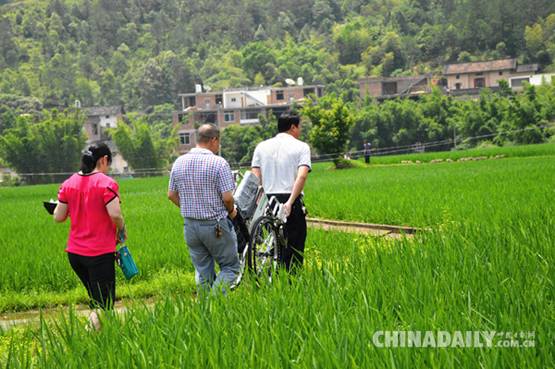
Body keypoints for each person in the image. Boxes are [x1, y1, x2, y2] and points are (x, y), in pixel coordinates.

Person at [53, 143, 125, 330]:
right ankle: (86, 339)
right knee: (103, 304)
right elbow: (115, 214)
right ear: (104, 160)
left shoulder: (69, 183)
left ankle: (103, 338)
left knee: (98, 299)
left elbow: (58, 217)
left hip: (76, 254)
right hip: (98, 254)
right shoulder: (106, 183)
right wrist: (122, 230)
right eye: (108, 163)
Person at [168, 124, 240, 292]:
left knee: (203, 271)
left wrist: (187, 206)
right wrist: (230, 211)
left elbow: (171, 194)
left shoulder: (179, 162)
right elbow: (228, 197)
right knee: (230, 268)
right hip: (214, 225)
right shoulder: (219, 163)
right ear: (214, 140)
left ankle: (204, 311)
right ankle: (216, 305)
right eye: (218, 142)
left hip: (190, 226)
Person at [251, 113, 311, 272]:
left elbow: (256, 177)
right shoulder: (302, 147)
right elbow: (302, 175)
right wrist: (290, 202)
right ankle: (292, 281)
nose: (300, 131)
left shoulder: (261, 147)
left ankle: (273, 276)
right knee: (295, 243)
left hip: (268, 200)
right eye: (299, 127)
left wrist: (260, 200)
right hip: (290, 198)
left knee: (274, 242)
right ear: (293, 127)